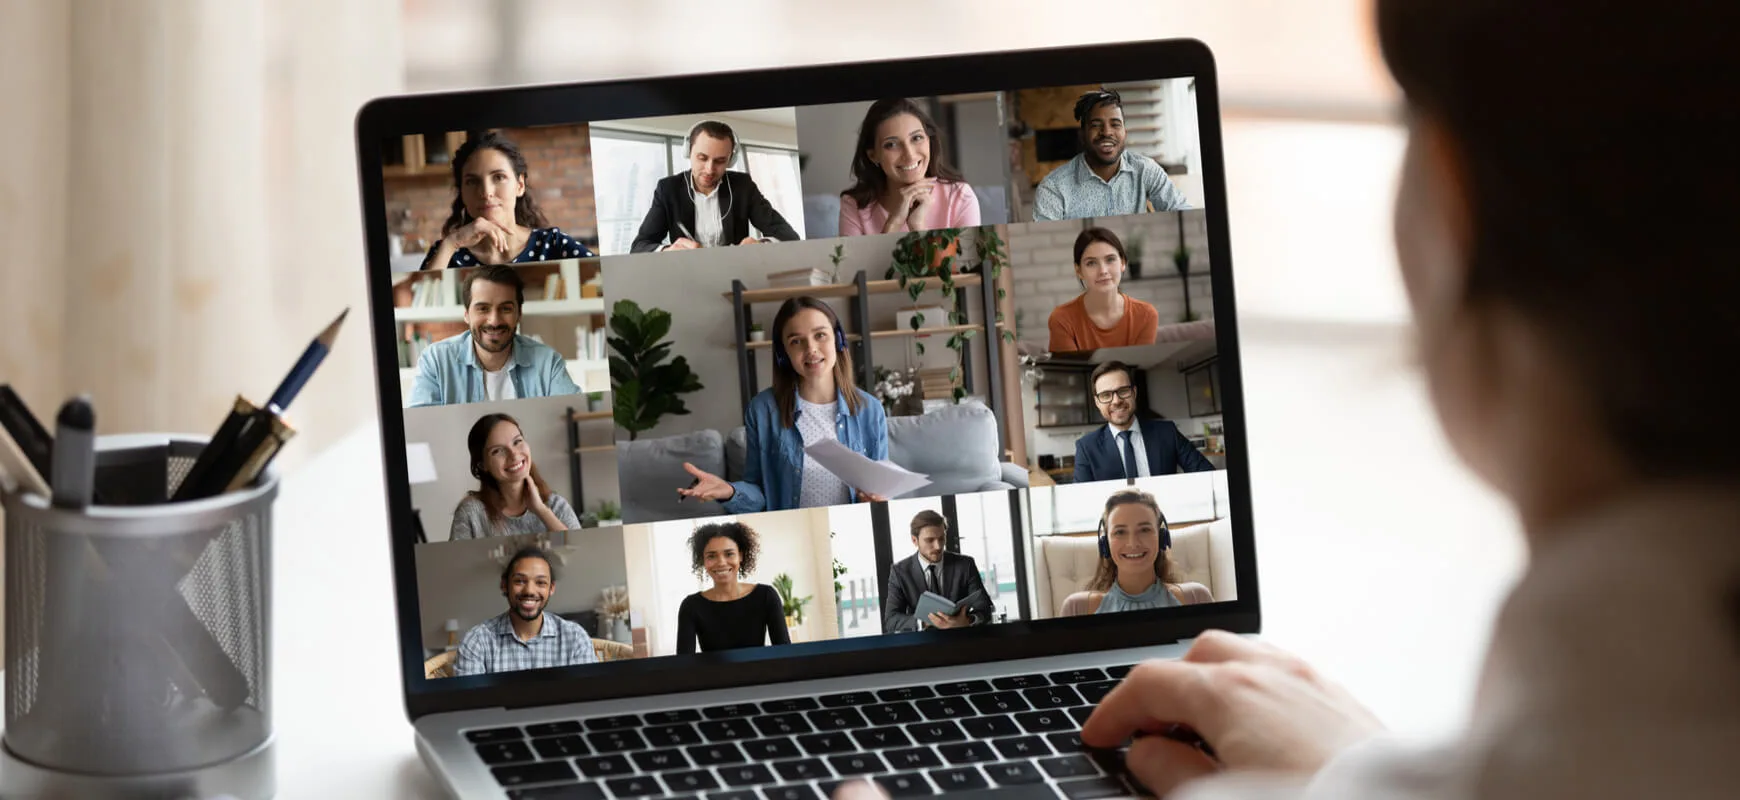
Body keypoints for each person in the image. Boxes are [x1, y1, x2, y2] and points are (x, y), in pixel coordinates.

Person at [676, 296, 890, 512]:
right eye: (796, 341)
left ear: (838, 340)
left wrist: (876, 500)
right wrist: (730, 492)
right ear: (783, 353)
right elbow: (759, 494)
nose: (811, 349)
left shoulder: (870, 410)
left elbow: (880, 490)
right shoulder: (762, 410)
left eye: (820, 335)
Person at [407, 265, 581, 407]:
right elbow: (420, 429)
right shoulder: (435, 361)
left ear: (519, 314)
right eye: (483, 308)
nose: (494, 321)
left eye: (505, 309)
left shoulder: (547, 362)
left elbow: (574, 413)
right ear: (467, 314)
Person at [419, 131, 595, 269]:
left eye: (498, 177)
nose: (486, 192)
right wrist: (453, 242)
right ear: (462, 193)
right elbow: (417, 312)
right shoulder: (446, 251)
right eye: (472, 181)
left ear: (519, 185)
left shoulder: (554, 244)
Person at [629, 120, 801, 253]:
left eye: (720, 161)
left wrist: (762, 244)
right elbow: (640, 246)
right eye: (702, 158)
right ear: (688, 152)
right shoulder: (668, 189)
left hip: (736, 272)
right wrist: (667, 251)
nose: (710, 169)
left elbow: (789, 236)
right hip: (687, 275)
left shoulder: (743, 186)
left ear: (731, 160)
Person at [1032, 87, 1189, 222]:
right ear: (1082, 135)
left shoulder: (1145, 170)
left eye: (1115, 124)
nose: (1106, 132)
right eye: (1096, 125)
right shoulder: (1053, 188)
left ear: (1124, 132)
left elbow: (1182, 212)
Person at [838, 99, 981, 236]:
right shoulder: (853, 205)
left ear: (929, 140)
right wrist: (893, 224)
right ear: (873, 155)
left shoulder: (960, 196)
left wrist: (918, 228)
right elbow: (858, 262)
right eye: (891, 144)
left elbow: (966, 262)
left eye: (916, 138)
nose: (910, 155)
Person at [1061, 489, 1213, 616]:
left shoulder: (1196, 597)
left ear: (1161, 537)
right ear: (1105, 543)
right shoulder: (1076, 608)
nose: (1133, 543)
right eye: (1120, 532)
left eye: (1145, 530)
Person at [453, 547, 597, 676]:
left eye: (540, 582)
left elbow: (588, 697)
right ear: (504, 585)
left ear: (551, 588)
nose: (529, 591)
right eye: (520, 581)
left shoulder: (575, 638)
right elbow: (471, 703)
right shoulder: (477, 641)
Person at [1074, 361, 1215, 483]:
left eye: (1123, 391)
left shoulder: (1168, 432)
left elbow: (1209, 475)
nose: (1116, 401)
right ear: (1097, 402)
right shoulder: (1086, 447)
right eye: (1106, 395)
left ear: (1134, 393)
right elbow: (1081, 500)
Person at [448, 413, 580, 539]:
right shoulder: (471, 513)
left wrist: (541, 510)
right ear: (483, 465)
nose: (514, 455)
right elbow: (456, 562)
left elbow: (578, 552)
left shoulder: (556, 505)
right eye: (497, 451)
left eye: (517, 442)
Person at [674, 522, 791, 654]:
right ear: (703, 560)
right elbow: (684, 665)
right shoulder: (691, 606)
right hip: (713, 675)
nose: (721, 562)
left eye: (729, 554)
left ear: (740, 555)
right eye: (711, 556)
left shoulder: (766, 596)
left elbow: (785, 654)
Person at [882, 510, 995, 633]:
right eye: (930, 540)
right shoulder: (900, 572)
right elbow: (891, 620)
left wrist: (968, 620)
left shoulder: (965, 565)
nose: (938, 546)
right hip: (922, 646)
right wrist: (925, 621)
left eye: (942, 538)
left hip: (961, 641)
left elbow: (985, 607)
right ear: (915, 540)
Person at [1048, 227, 1160, 352]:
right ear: (1079, 270)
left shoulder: (1145, 315)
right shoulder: (1062, 319)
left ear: (1123, 263)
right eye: (1091, 263)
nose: (1103, 271)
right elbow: (1070, 371)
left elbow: (1141, 368)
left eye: (1110, 259)